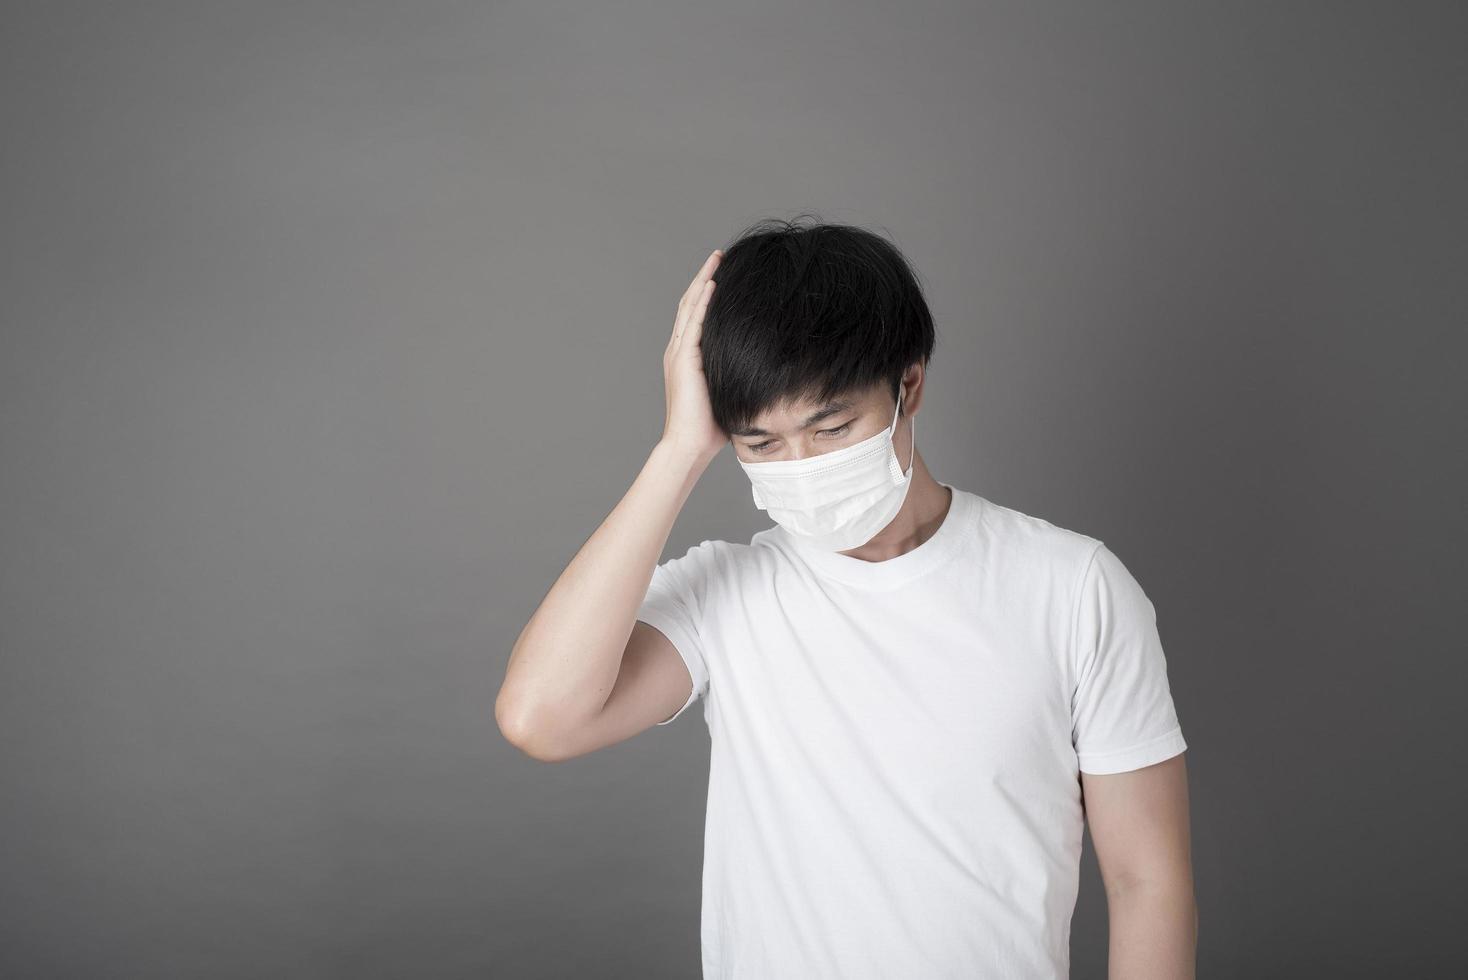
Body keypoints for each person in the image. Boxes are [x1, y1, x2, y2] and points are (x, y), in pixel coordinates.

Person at [497, 217, 1197, 979]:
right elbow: (542, 719)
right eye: (760, 444)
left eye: (831, 426)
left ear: (910, 385)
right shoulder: (725, 593)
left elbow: (1146, 880)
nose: (800, 464)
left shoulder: (1074, 588)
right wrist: (677, 452)